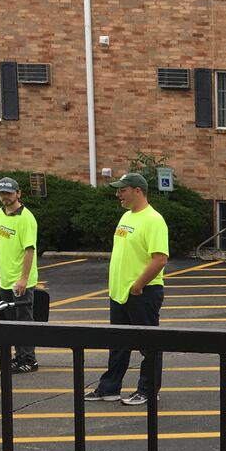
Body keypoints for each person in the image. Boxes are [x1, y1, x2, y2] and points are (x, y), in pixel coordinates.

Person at [84, 173, 169, 406]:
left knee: (148, 344)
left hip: (143, 292)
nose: (118, 194)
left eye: (122, 190)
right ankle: (109, 388)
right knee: (118, 343)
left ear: (137, 191)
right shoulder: (126, 217)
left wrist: (138, 285)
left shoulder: (154, 220)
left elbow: (160, 259)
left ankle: (148, 390)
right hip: (121, 293)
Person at [0, 176, 40, 373]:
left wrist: (23, 279)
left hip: (20, 281)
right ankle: (19, 357)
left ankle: (29, 360)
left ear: (18, 194)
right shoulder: (0, 213)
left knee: (23, 320)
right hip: (5, 279)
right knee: (12, 321)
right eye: (2, 194)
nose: (5, 197)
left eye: (9, 193)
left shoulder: (26, 219)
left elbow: (29, 250)